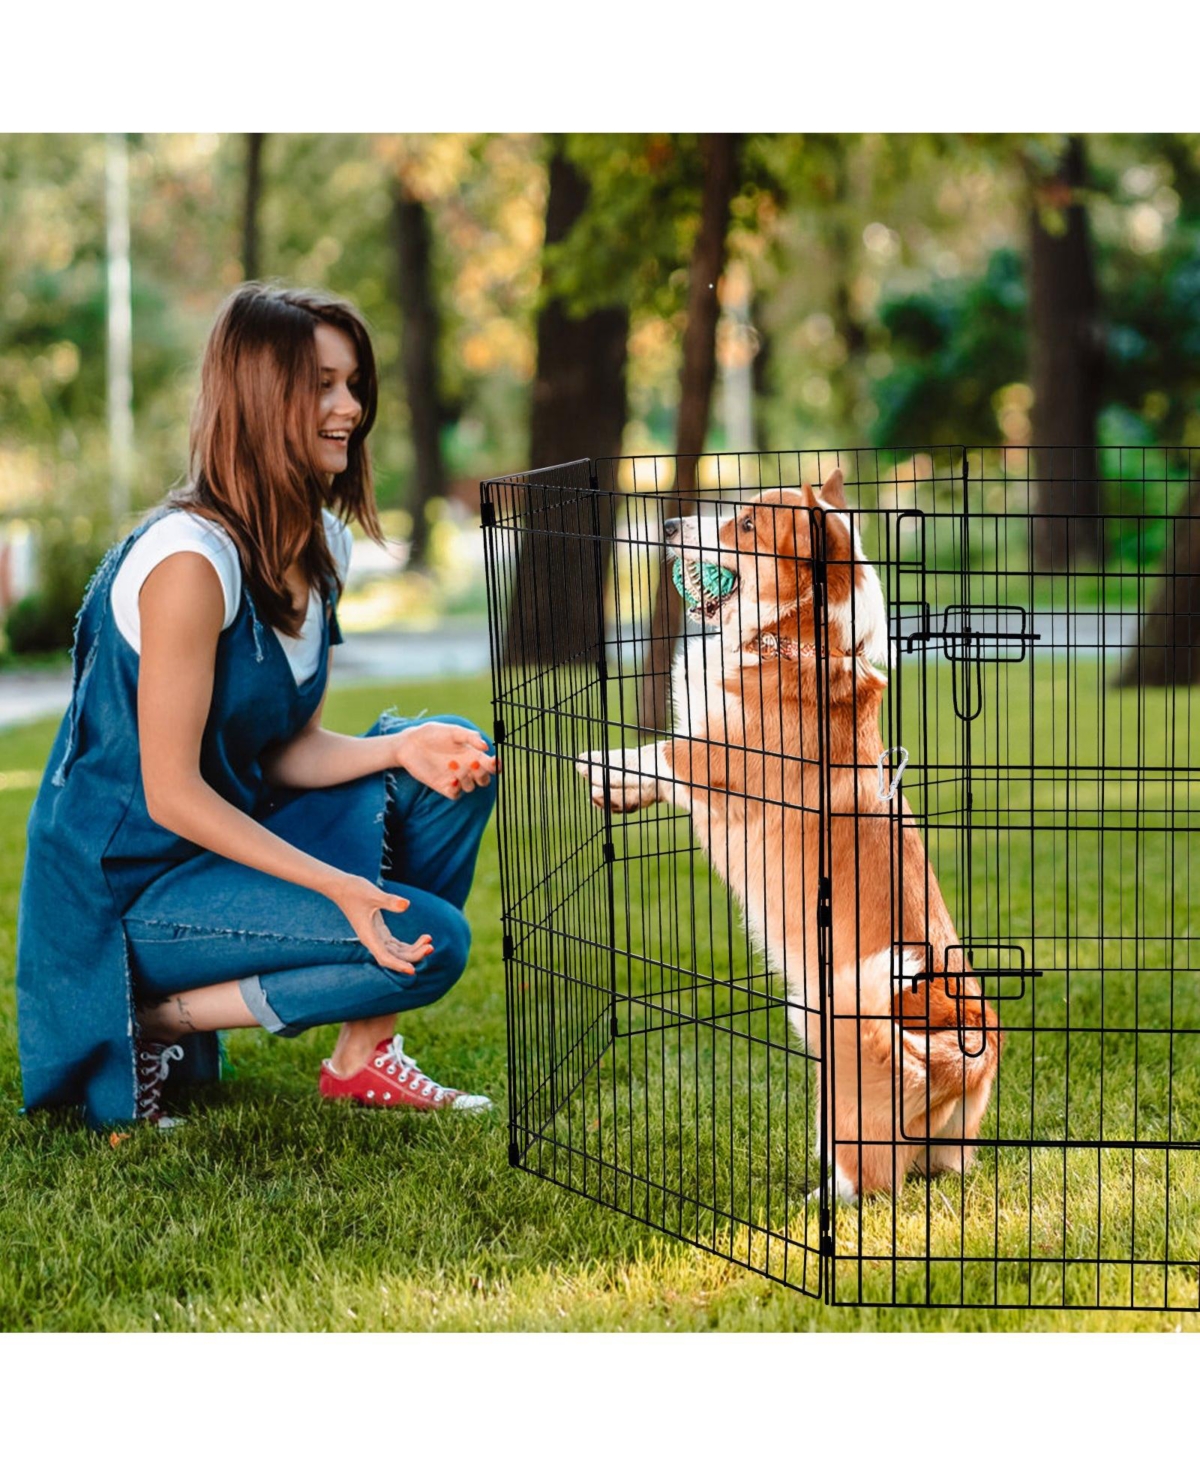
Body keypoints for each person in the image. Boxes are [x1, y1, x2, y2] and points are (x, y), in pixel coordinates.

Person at [15, 282, 498, 1130]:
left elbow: (285, 750)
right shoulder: (189, 563)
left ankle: (363, 1058)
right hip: (129, 892)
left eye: (352, 384)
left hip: (222, 847)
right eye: (322, 384)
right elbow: (169, 793)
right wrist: (340, 886)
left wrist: (401, 749)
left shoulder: (319, 542)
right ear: (258, 397)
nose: (349, 407)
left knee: (454, 758)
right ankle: (152, 1017)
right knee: (437, 941)